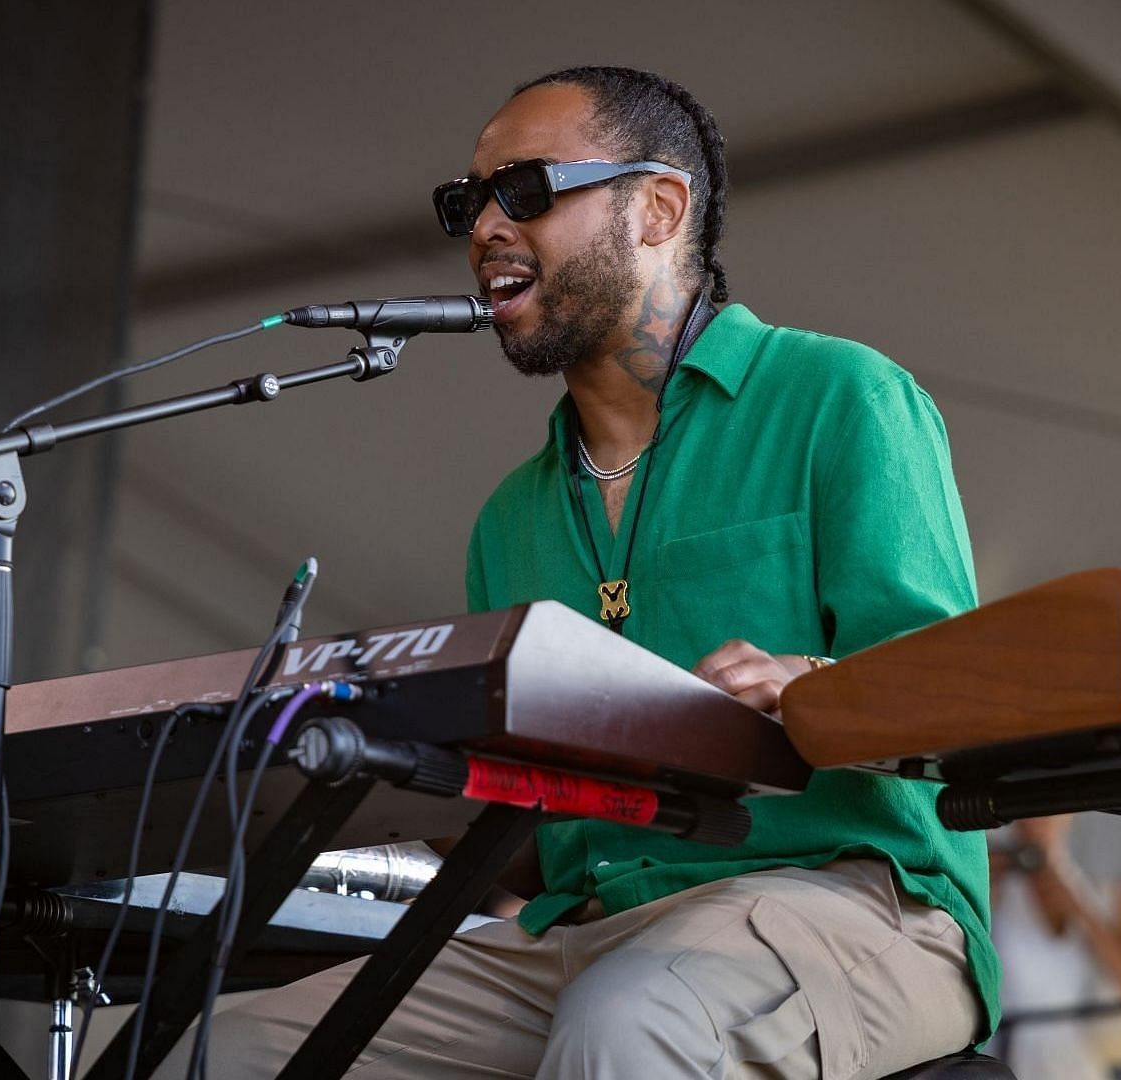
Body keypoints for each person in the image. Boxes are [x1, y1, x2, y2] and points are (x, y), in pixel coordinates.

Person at [167, 65, 995, 1078]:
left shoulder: (842, 398)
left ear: (658, 207)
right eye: (468, 202)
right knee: (212, 1049)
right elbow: (530, 826)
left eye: (525, 192)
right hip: (581, 929)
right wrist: (395, 788)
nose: (483, 229)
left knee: (627, 1020)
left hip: (861, 903)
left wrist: (812, 685)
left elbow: (962, 706)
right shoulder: (509, 517)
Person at [987, 816, 1121, 1080]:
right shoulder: (988, 871)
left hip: (1070, 1064)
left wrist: (1081, 911)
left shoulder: (1107, 895)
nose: (1038, 815)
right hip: (995, 1057)